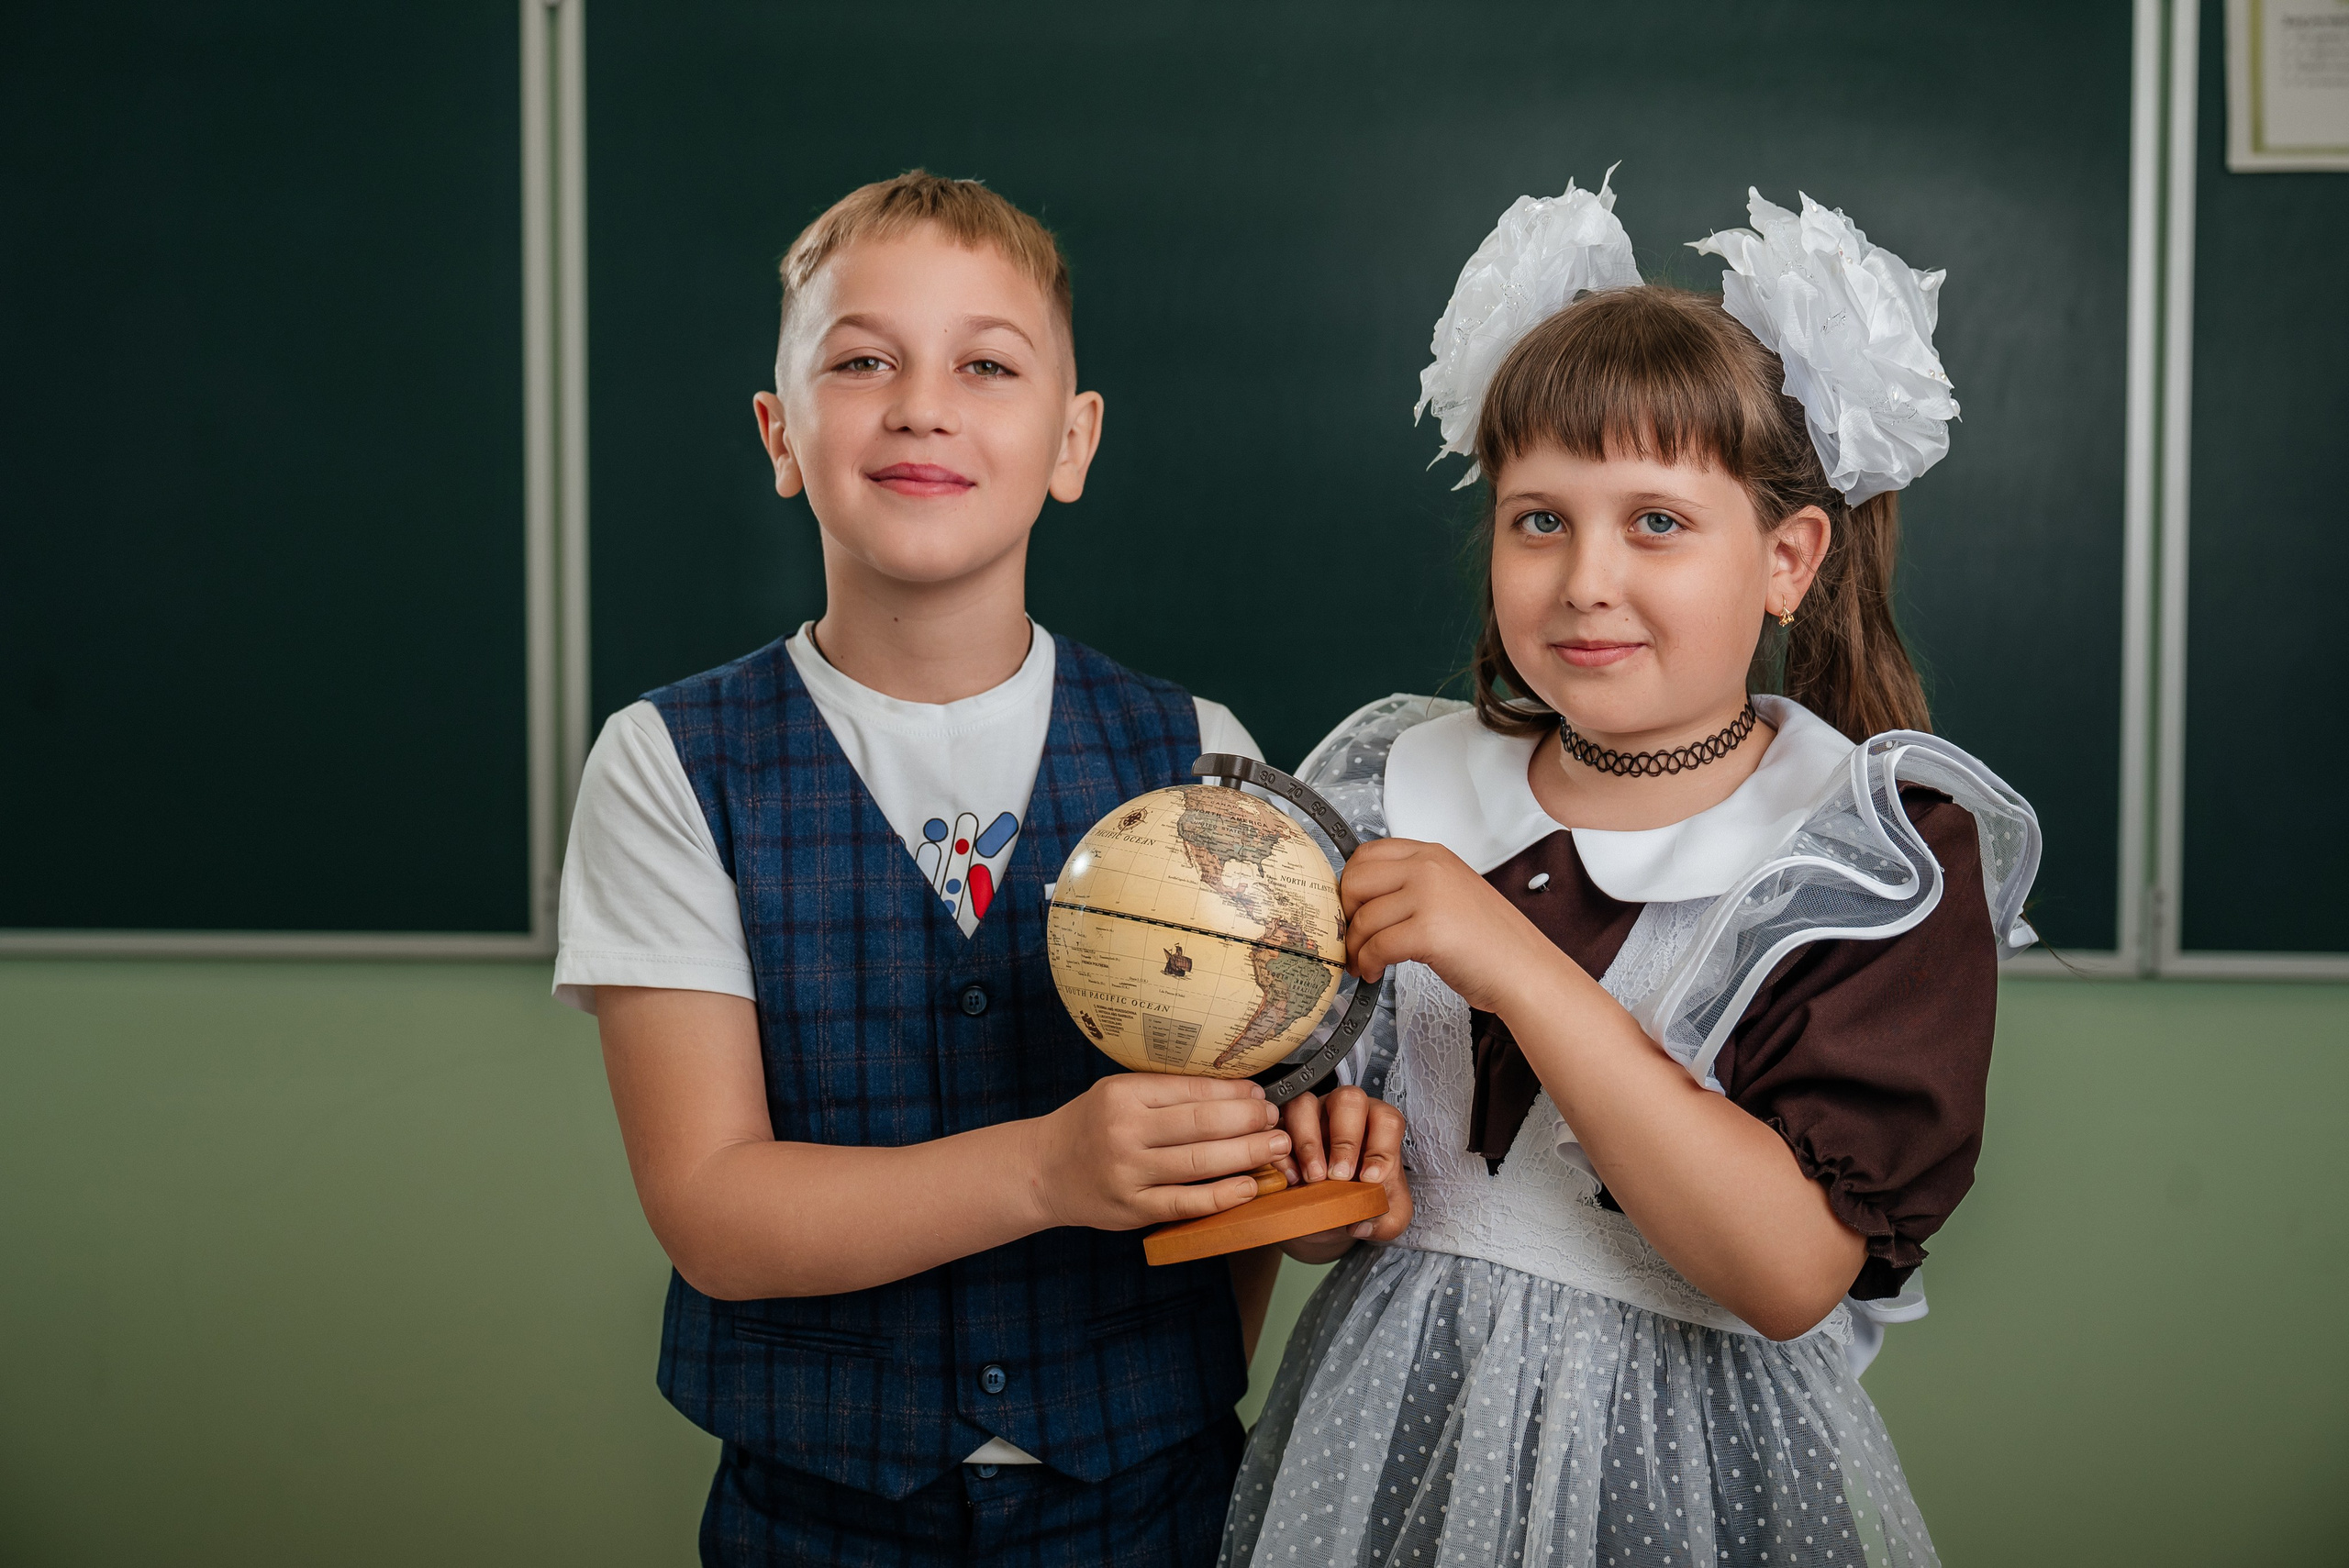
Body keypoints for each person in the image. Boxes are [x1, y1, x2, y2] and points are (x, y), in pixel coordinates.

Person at [553, 171, 1405, 1567]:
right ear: (780, 434)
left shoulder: (1200, 760)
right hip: (814, 1521)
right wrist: (1050, 1168)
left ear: (1073, 442)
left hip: (1160, 1505)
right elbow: (712, 1207)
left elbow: (1252, 1158)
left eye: (987, 364)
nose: (923, 404)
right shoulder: (669, 763)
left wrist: (1305, 1177)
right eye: (863, 359)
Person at [1220, 176, 2041, 1568]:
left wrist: (1513, 962)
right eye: (1539, 518)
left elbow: (1784, 1273)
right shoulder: (1384, 788)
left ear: (1787, 559)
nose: (1586, 576)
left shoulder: (1866, 857)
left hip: (1684, 1467)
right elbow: (1323, 1217)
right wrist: (1326, 1167)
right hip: (1376, 1440)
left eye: (1656, 521)